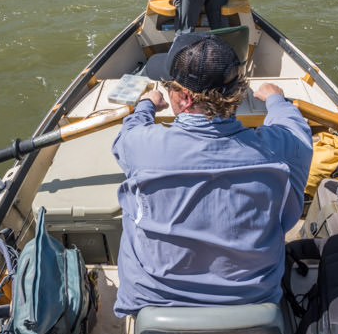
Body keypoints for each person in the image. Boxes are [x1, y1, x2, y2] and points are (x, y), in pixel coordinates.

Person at [112, 33, 313, 318]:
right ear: (237, 91)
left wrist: (146, 104)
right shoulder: (280, 149)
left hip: (154, 303)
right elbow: (298, 133)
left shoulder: (141, 146)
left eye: (169, 86)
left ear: (184, 98)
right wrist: (277, 101)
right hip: (254, 303)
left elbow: (127, 134)